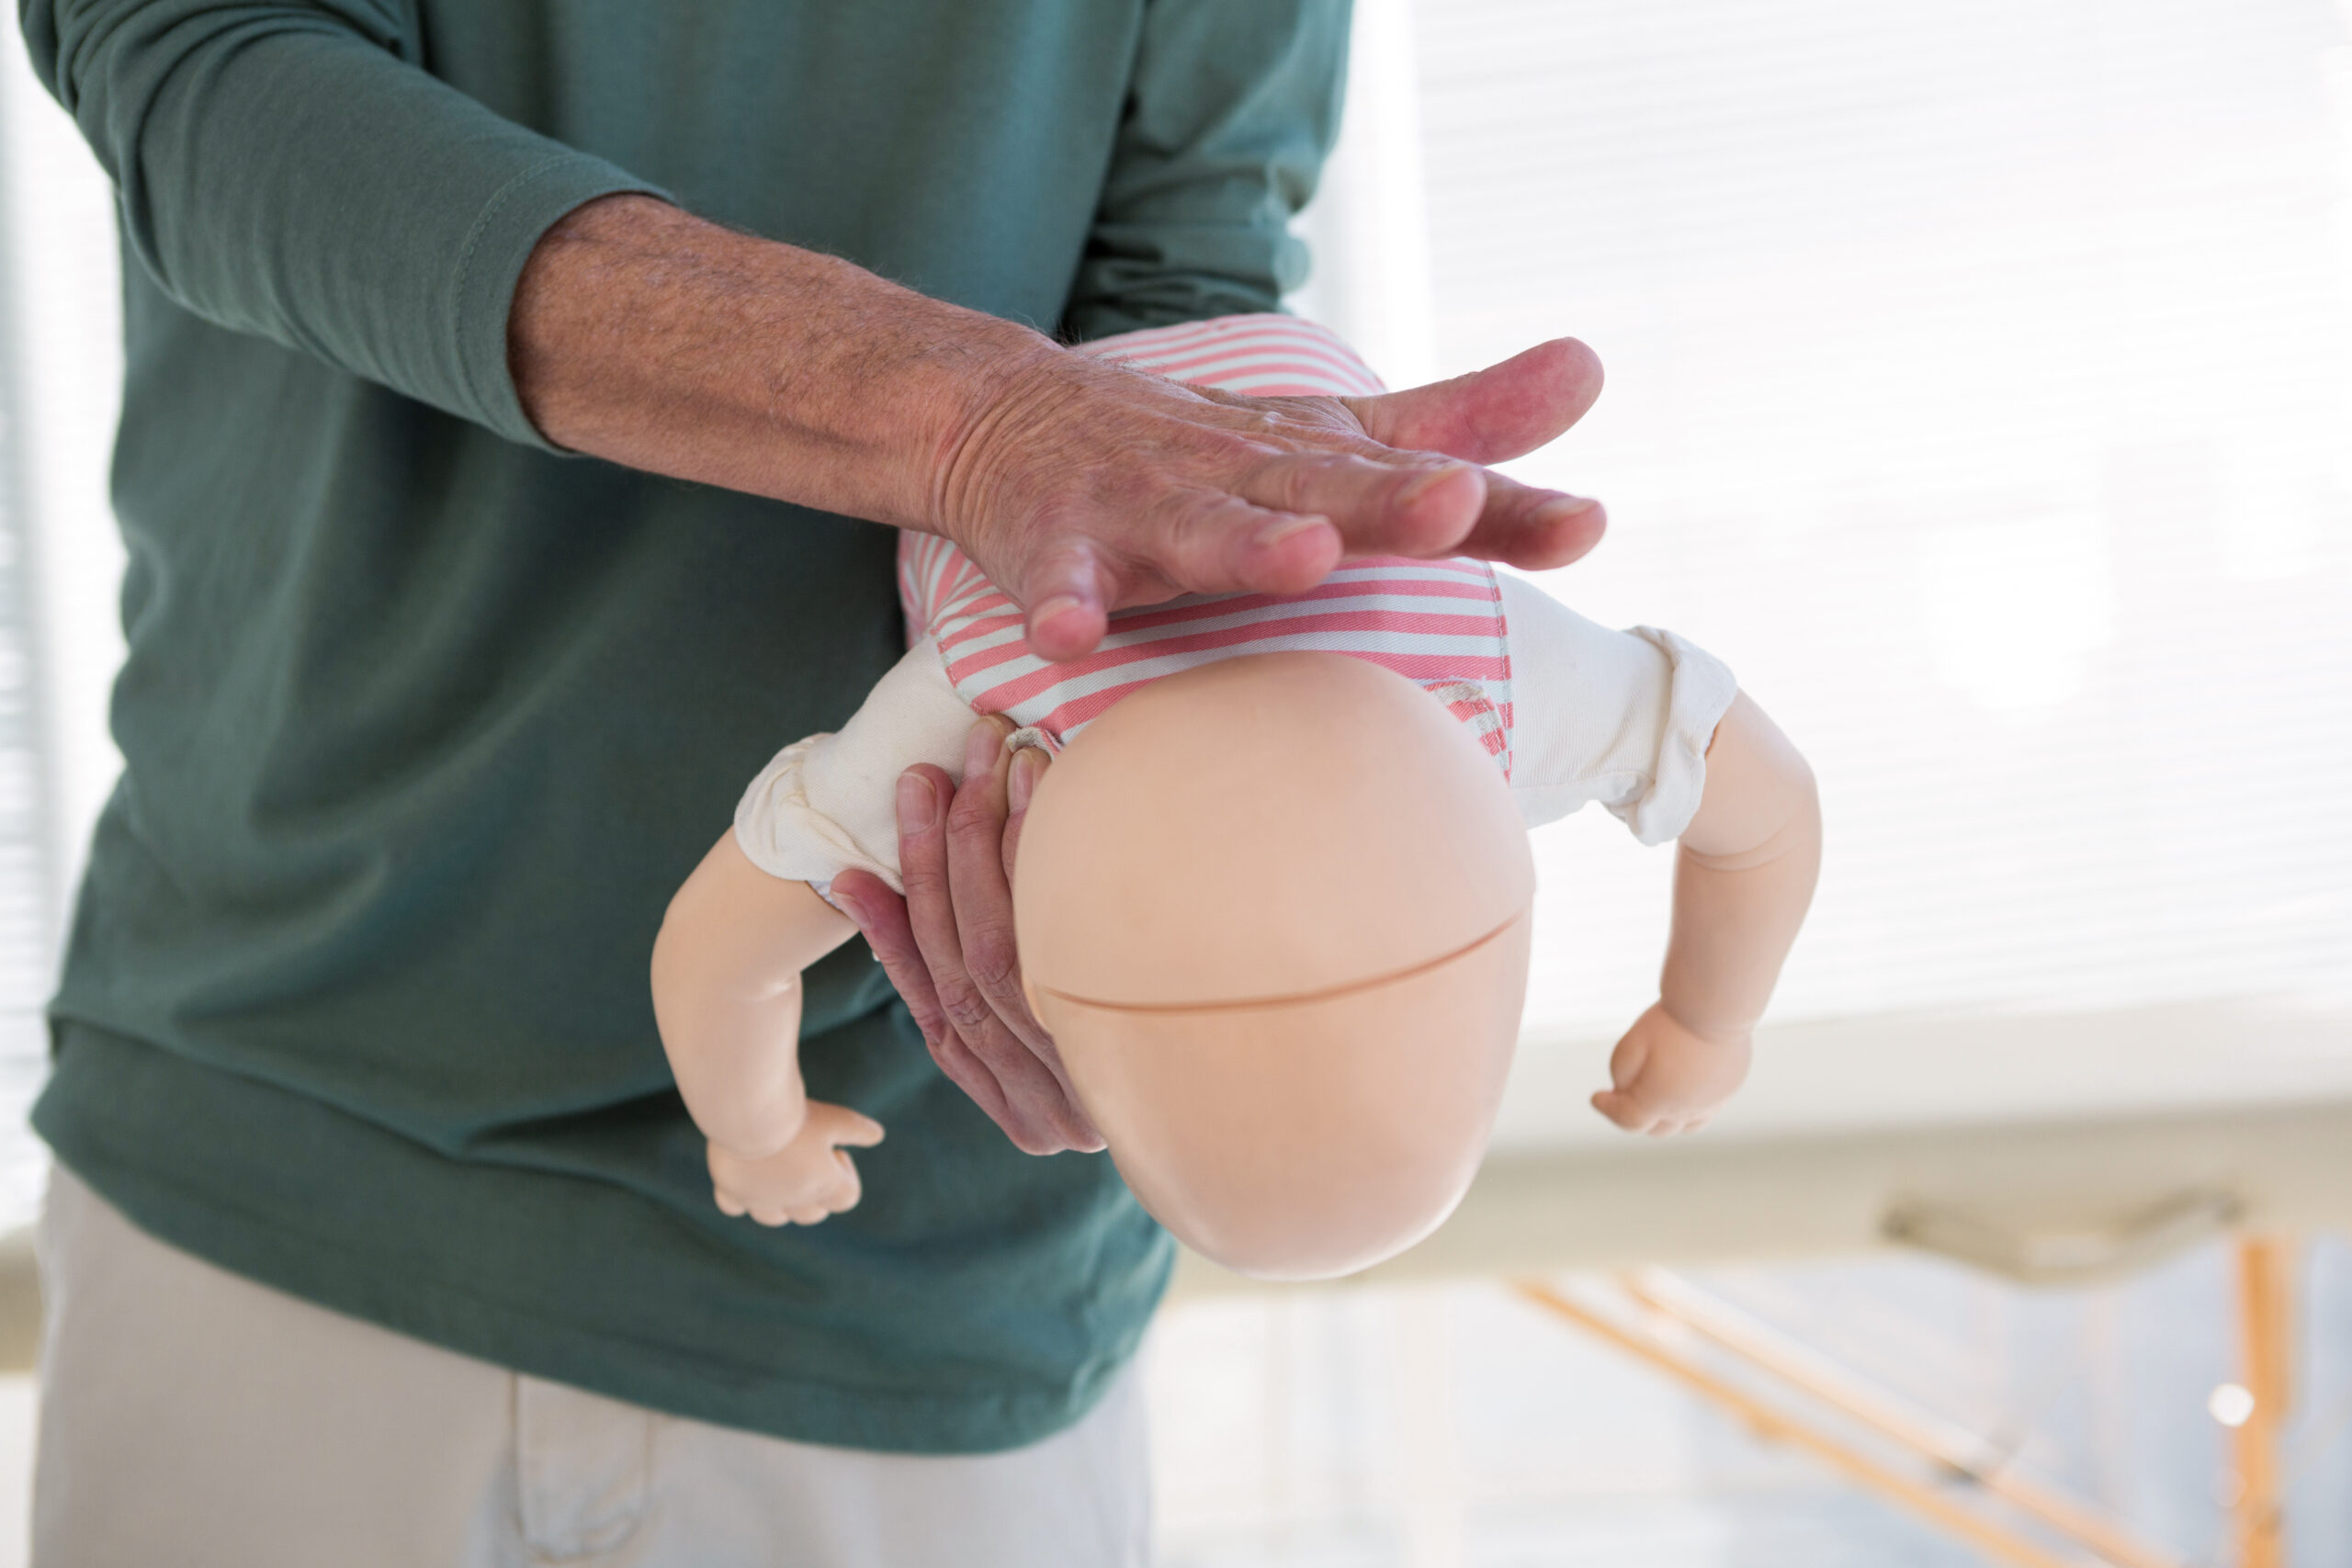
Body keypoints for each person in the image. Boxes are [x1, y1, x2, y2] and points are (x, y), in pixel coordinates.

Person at [20, 4, 1611, 1563]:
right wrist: (964, 418)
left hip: (921, 1259)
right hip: (288, 1138)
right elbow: (199, 75)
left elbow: (1177, 300)